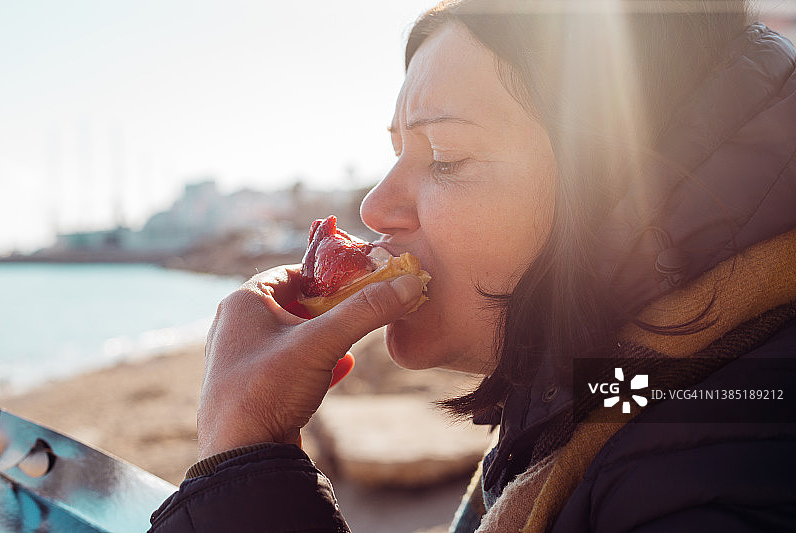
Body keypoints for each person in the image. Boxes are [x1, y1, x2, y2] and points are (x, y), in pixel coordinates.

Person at [149, 0, 796, 531]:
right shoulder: (622, 390)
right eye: (398, 152)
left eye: (446, 157)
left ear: (620, 183)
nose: (376, 205)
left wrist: (243, 458)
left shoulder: (714, 486)